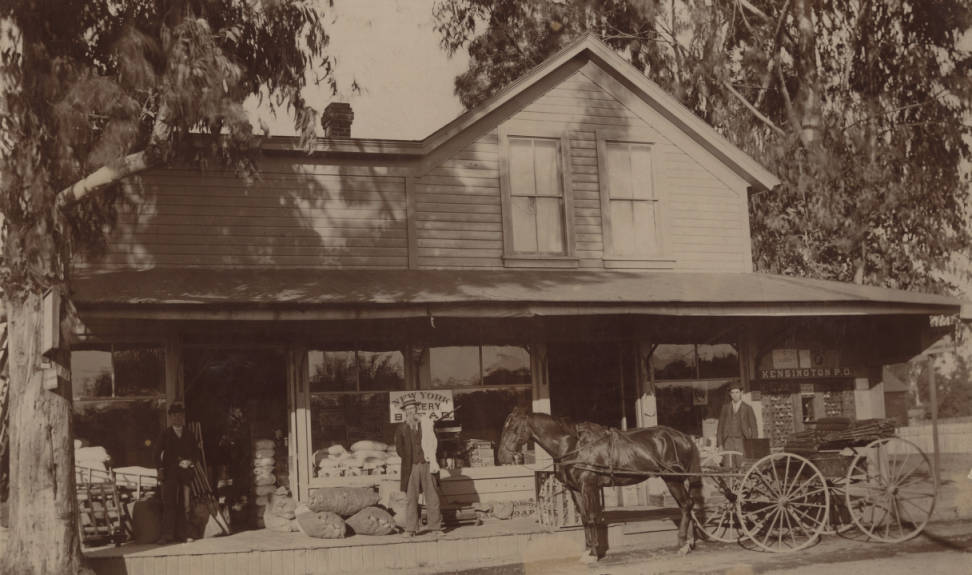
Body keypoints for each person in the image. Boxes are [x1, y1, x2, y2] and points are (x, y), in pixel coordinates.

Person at [393, 397, 442, 537]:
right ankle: (411, 529)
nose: (410, 412)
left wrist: (430, 458)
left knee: (432, 497)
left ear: (416, 410)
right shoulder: (401, 428)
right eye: (407, 410)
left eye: (412, 409)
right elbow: (399, 449)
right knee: (411, 498)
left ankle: (436, 527)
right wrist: (409, 457)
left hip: (427, 464)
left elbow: (435, 443)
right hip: (411, 467)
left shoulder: (427, 424)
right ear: (405, 412)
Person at [153, 402, 201, 543]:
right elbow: (156, 454)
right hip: (169, 475)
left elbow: (196, 453)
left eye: (180, 415)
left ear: (183, 417)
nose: (177, 418)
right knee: (169, 505)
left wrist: (190, 462)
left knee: (184, 505)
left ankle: (182, 534)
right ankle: (166, 535)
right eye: (174, 416)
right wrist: (160, 469)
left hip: (185, 475)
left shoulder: (189, 434)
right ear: (170, 417)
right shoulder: (165, 434)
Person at [716, 382, 757, 468]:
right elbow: (720, 428)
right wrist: (720, 444)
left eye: (737, 392)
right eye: (732, 393)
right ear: (730, 394)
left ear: (741, 393)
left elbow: (754, 428)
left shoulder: (747, 408)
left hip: (742, 442)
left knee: (742, 467)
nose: (735, 395)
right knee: (728, 467)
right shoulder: (725, 408)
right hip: (728, 442)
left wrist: (752, 445)